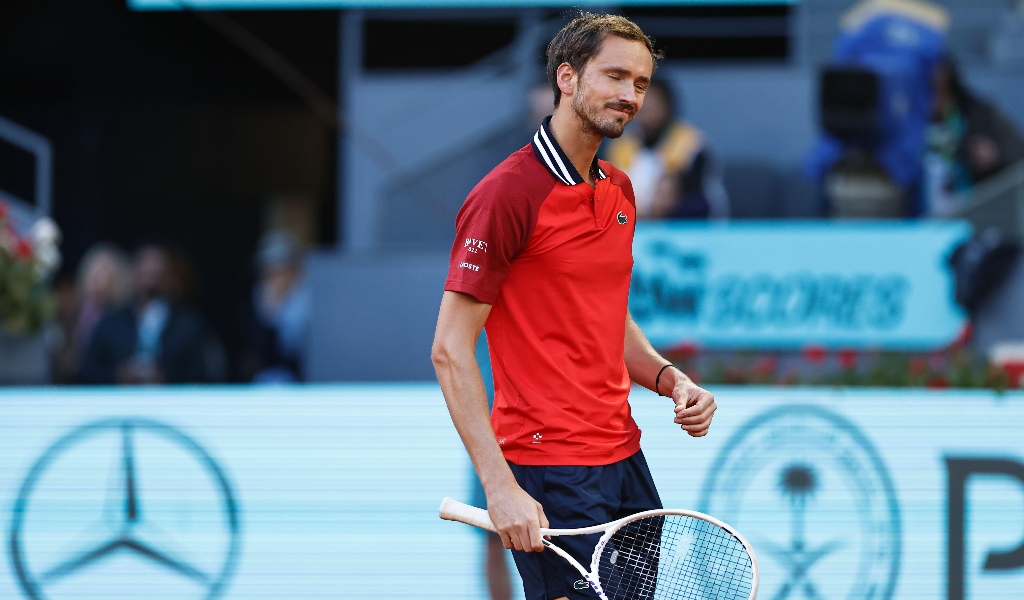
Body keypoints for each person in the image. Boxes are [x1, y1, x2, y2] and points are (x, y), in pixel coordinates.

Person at [431, 13, 717, 600]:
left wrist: (671, 380)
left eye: (640, 83)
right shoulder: (506, 194)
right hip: (547, 465)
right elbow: (450, 350)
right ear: (567, 78)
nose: (630, 95)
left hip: (625, 458)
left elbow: (607, 318)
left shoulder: (620, 188)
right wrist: (500, 486)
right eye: (615, 76)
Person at [79, 244, 210, 384]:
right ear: (133, 274)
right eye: (145, 274)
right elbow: (88, 371)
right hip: (120, 395)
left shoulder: (186, 324)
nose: (150, 283)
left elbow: (201, 373)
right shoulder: (111, 322)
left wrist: (166, 377)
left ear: (169, 278)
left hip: (169, 395)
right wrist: (117, 375)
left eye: (157, 276)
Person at [604, 79, 729, 219]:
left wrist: (675, 189)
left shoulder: (692, 144)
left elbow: (700, 200)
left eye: (654, 102)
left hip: (689, 224)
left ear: (667, 106)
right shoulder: (621, 145)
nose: (648, 108)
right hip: (635, 225)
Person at [923, 58, 1024, 216]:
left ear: (945, 73)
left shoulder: (978, 113)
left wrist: (995, 156)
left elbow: (1017, 156)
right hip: (917, 218)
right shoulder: (902, 117)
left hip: (973, 212)